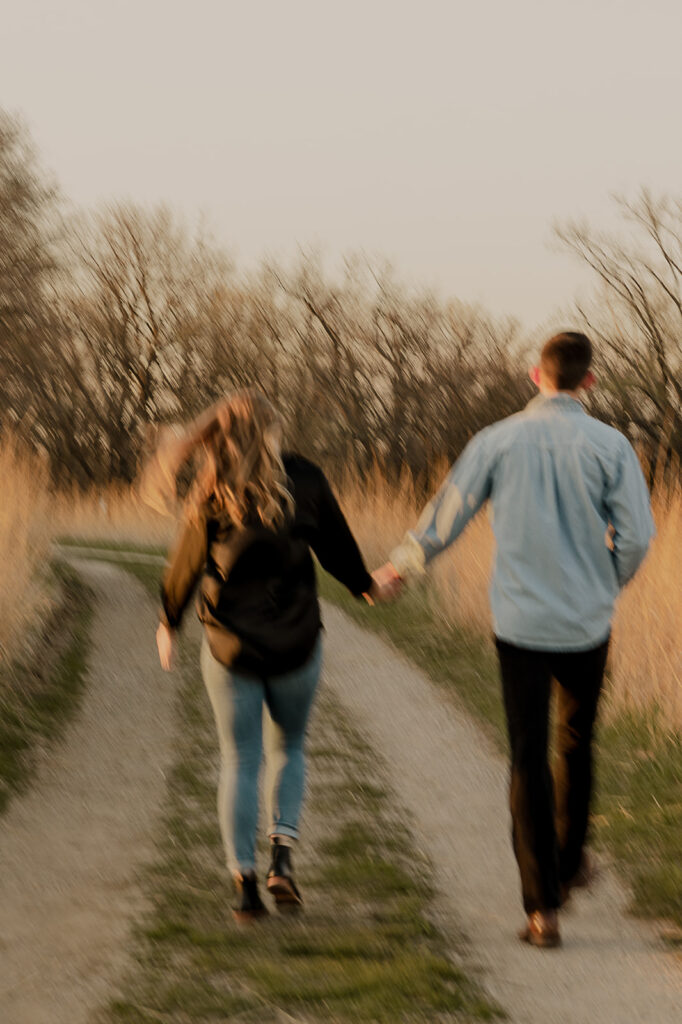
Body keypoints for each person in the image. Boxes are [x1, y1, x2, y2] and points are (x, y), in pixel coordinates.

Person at [373, 332, 654, 948]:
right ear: (589, 382)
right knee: (576, 744)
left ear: (535, 375)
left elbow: (448, 514)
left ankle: (541, 910)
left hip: (520, 626)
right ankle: (572, 857)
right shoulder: (611, 446)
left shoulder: (497, 440)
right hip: (586, 622)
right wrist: (607, 582)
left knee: (527, 753)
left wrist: (398, 569)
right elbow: (637, 536)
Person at [150, 389, 382, 922]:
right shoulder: (305, 479)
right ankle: (282, 858)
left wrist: (168, 622)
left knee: (239, 759)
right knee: (290, 749)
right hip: (297, 642)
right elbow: (340, 550)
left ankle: (246, 888)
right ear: (273, 430)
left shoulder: (212, 489)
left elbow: (184, 565)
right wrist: (364, 585)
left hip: (232, 647)